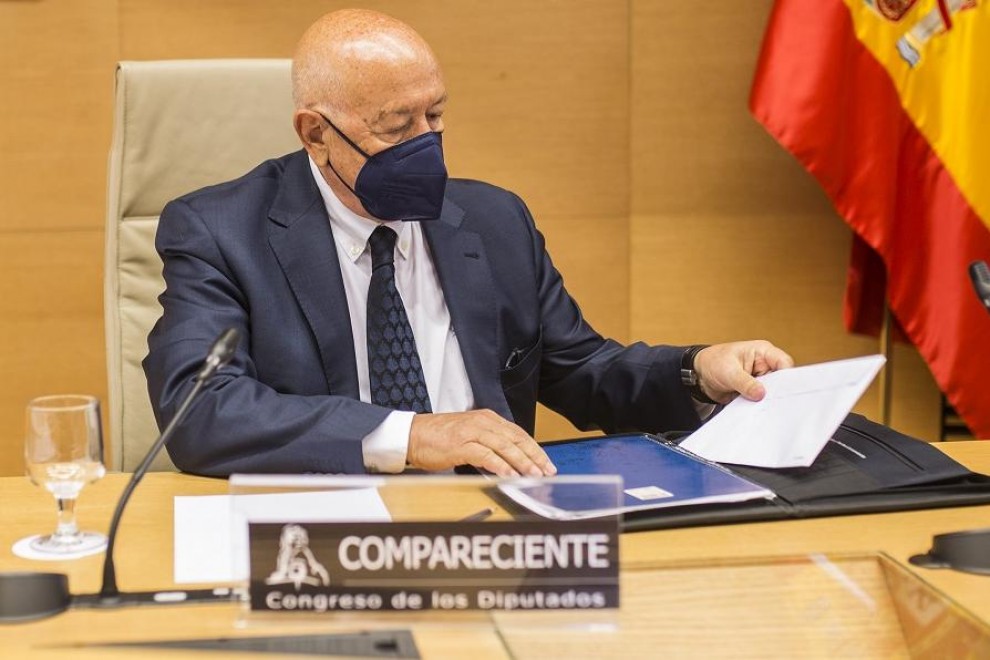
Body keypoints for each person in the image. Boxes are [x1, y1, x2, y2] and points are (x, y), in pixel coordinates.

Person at [144, 9, 793, 478]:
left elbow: (582, 372)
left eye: (436, 115)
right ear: (315, 134)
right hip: (331, 527)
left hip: (496, 520)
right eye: (397, 127)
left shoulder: (493, 220)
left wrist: (697, 370)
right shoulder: (220, 231)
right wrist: (413, 435)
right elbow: (202, 411)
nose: (427, 143)